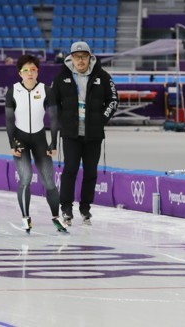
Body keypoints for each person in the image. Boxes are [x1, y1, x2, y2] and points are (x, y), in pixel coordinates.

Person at [52, 41, 118, 226]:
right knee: (70, 169)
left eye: (84, 56)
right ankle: (66, 207)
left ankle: (85, 207)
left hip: (93, 135)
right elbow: (52, 101)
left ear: (90, 57)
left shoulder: (103, 76)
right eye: (77, 56)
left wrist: (101, 120)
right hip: (71, 134)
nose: (80, 60)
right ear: (71, 58)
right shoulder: (61, 77)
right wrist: (62, 120)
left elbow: (113, 100)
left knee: (90, 172)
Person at [5, 54, 68, 234]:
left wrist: (54, 143)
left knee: (49, 181)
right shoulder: (13, 91)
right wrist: (12, 143)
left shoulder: (46, 90)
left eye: (33, 70)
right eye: (26, 70)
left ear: (38, 71)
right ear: (20, 73)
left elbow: (55, 119)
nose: (30, 73)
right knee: (25, 178)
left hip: (40, 139)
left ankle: (56, 218)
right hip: (20, 139)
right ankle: (26, 218)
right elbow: (9, 120)